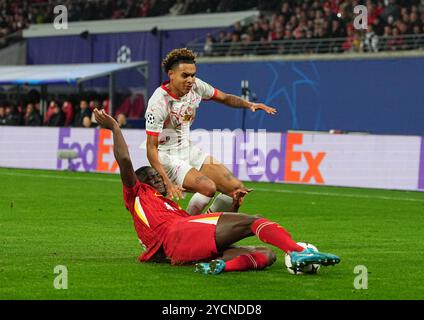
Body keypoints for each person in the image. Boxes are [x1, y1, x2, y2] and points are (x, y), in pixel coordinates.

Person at [93, 108, 341, 275]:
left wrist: (232, 206)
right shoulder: (137, 193)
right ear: (143, 181)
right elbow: (125, 161)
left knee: (266, 255)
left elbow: (201, 227)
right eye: (156, 177)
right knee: (254, 222)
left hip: (182, 247)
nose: (161, 180)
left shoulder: (170, 207)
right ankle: (298, 252)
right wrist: (115, 128)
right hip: (177, 236)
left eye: (161, 176)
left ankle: (219, 266)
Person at [144, 48, 277, 216]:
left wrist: (249, 105)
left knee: (236, 190)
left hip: (188, 149)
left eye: (193, 75)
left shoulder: (196, 86)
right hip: (166, 156)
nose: (190, 80)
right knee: (208, 188)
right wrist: (166, 181)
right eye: (185, 75)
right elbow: (151, 148)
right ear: (171, 74)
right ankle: (186, 229)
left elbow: (224, 97)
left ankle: (200, 229)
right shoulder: (158, 103)